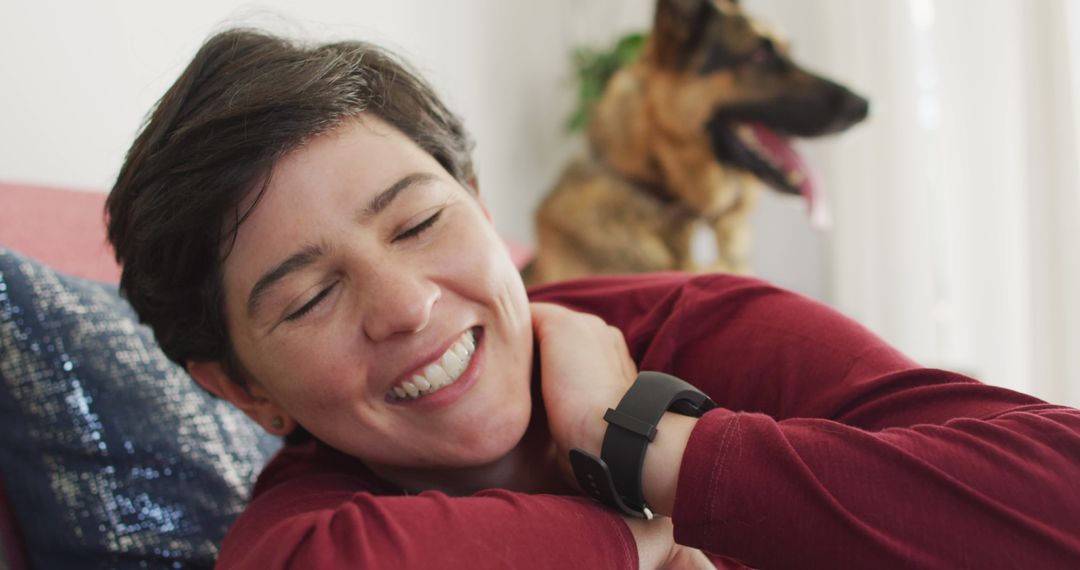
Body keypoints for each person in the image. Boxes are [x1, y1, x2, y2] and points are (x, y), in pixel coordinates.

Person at [105, 28, 1080, 569]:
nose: (403, 307)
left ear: (484, 210)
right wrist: (643, 526)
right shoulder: (320, 523)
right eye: (312, 295)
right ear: (241, 388)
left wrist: (647, 441)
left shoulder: (696, 325)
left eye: (416, 224)